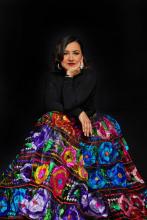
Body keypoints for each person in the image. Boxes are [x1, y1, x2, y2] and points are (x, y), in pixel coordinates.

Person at [0, 35, 147, 220]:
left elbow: (70, 102)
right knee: (50, 120)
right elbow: (51, 105)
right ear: (59, 58)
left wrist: (71, 84)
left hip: (88, 128)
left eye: (75, 53)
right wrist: (79, 111)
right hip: (64, 127)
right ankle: (39, 195)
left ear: (82, 57)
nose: (70, 58)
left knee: (57, 123)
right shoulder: (53, 77)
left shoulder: (90, 76)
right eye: (66, 53)